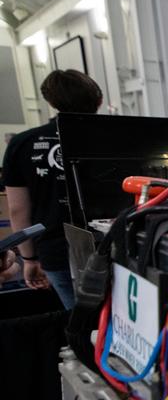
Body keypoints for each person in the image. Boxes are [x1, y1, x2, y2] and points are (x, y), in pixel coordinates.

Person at [1, 69, 103, 308]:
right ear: (98, 100)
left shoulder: (22, 144)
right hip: (115, 246)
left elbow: (17, 209)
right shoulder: (122, 136)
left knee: (79, 320)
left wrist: (29, 258)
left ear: (50, 101)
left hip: (55, 249)